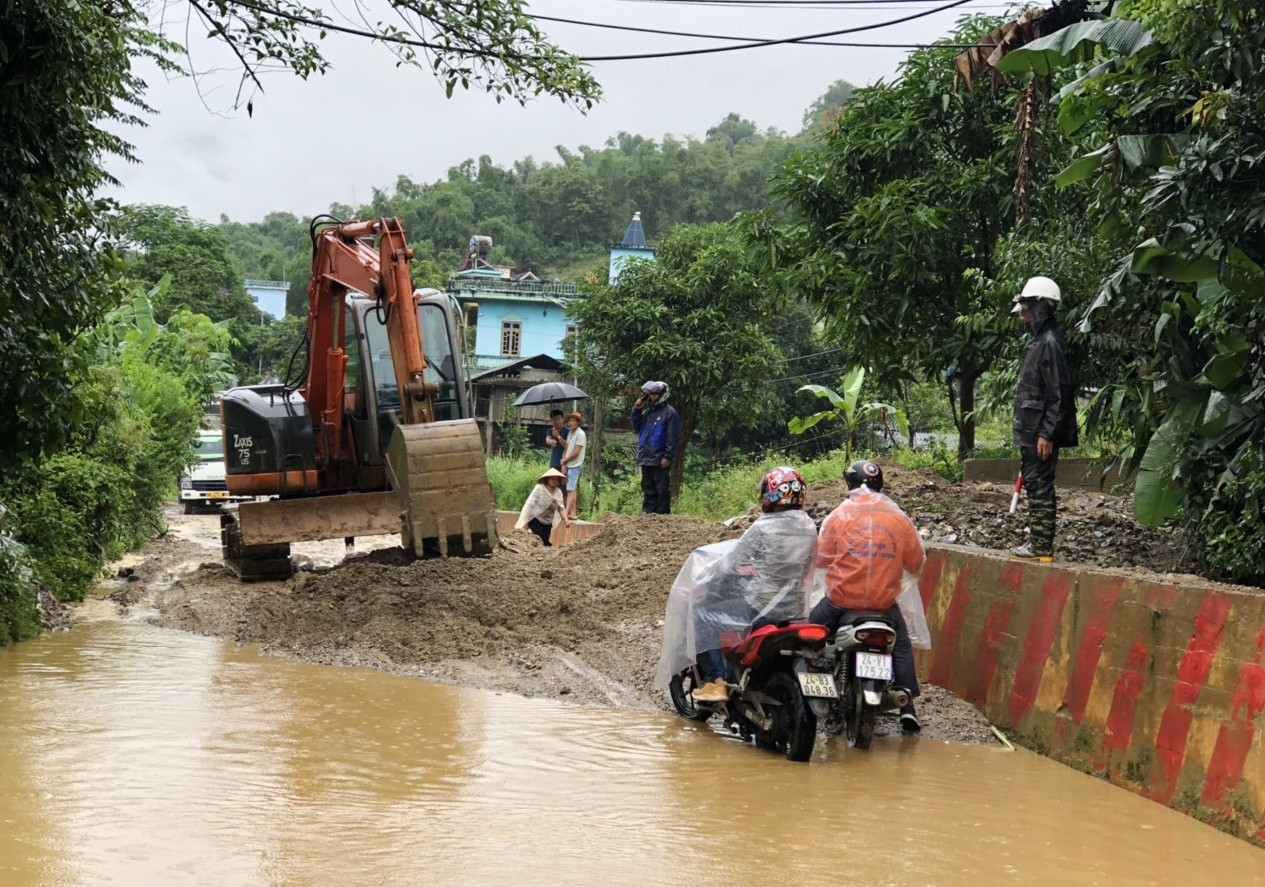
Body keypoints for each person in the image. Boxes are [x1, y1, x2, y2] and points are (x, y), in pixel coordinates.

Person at [811, 460, 925, 733]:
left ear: (849, 484)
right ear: (880, 484)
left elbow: (821, 559)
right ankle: (907, 706)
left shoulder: (839, 516)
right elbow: (915, 563)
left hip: (840, 602)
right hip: (883, 606)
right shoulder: (899, 518)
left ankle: (815, 688)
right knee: (901, 646)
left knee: (808, 632)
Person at [690, 467, 819, 703]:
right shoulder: (808, 526)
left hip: (762, 609)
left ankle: (715, 681)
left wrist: (709, 576)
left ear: (769, 494)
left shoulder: (763, 526)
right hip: (797, 611)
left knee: (704, 616)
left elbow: (731, 562)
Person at [1009, 276, 1077, 562]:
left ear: (1039, 307)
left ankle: (1041, 546)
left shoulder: (1049, 344)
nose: (1023, 316)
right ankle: (1037, 543)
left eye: (1026, 308)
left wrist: (1047, 433)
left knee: (1040, 486)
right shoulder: (1039, 342)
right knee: (1035, 484)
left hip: (1039, 431)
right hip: (1032, 429)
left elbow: (1059, 392)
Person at [631, 380, 682, 514]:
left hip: (660, 459)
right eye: (650, 394)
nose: (652, 396)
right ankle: (648, 515)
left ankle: (662, 517)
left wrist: (668, 456)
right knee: (647, 488)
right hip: (646, 457)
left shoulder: (670, 413)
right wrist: (637, 410)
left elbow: (673, 437)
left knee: (662, 489)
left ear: (662, 394)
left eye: (655, 394)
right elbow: (636, 427)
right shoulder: (647, 412)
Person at [514, 468, 569, 547]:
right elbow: (529, 505)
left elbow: (561, 508)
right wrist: (526, 521)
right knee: (538, 538)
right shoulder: (539, 488)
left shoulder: (558, 492)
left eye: (556, 479)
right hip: (536, 518)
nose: (554, 481)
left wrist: (566, 520)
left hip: (548, 521)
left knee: (544, 540)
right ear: (547, 479)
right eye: (552, 478)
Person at [559, 411, 586, 520]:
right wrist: (564, 463)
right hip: (568, 464)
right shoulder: (570, 433)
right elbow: (566, 448)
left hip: (575, 465)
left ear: (578, 422)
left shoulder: (580, 434)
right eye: (570, 420)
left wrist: (564, 460)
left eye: (574, 420)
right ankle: (573, 513)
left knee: (570, 490)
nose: (571, 422)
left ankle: (566, 512)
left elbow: (576, 452)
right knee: (571, 489)